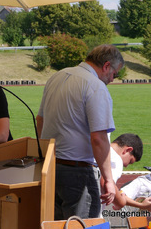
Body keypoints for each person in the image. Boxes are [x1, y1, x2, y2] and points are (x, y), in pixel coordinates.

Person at [36, 44, 123, 219]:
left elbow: (41, 121)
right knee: (83, 223)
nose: (113, 79)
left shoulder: (56, 77)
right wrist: (109, 180)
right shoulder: (96, 87)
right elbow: (98, 138)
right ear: (106, 66)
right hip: (78, 172)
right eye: (115, 74)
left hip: (51, 168)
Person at [103, 133, 144, 209]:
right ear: (128, 150)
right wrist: (120, 202)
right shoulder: (116, 160)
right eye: (130, 161)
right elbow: (105, 182)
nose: (126, 166)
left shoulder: (100, 150)